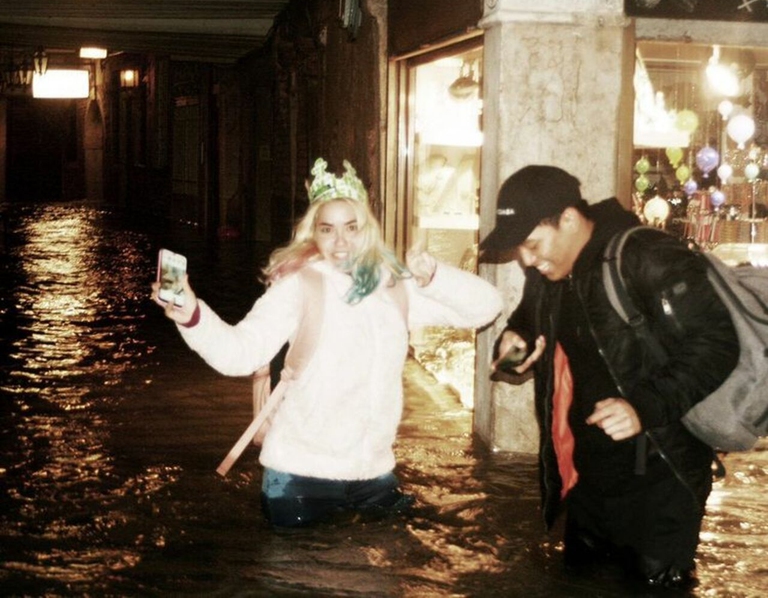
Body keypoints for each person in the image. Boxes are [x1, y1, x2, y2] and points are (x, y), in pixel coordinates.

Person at [152, 157, 503, 528]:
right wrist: (192, 314)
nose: (341, 242)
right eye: (327, 229)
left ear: (367, 228)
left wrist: (435, 277)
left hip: (373, 476)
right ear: (313, 234)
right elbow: (239, 354)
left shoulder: (395, 288)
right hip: (300, 479)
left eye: (352, 227)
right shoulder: (300, 286)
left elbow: (486, 308)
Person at [480, 165, 739, 589]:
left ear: (568, 219)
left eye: (531, 244)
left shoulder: (646, 255)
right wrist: (517, 341)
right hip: (587, 478)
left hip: (661, 477)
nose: (526, 260)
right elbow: (528, 319)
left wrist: (643, 406)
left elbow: (718, 343)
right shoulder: (548, 274)